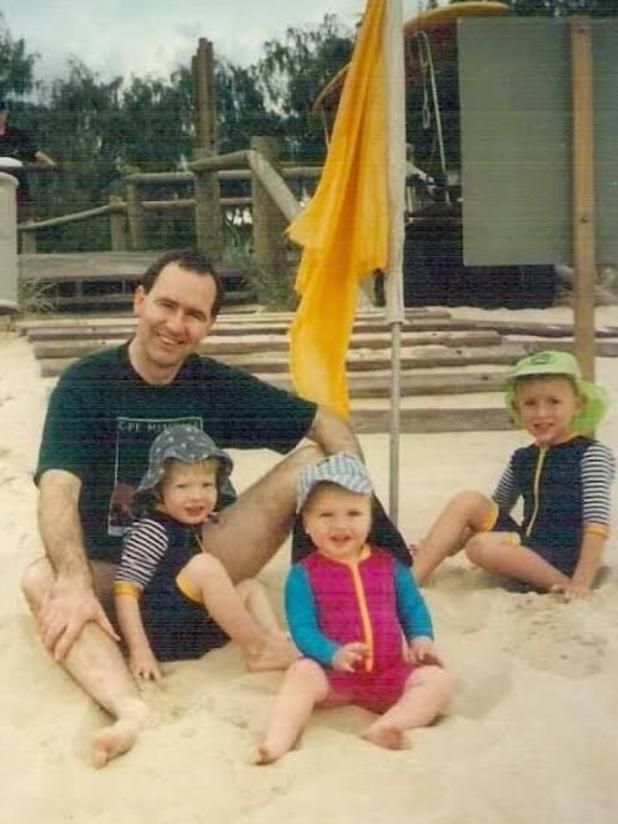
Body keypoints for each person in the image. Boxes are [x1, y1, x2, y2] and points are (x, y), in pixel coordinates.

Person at [21, 248, 408, 768]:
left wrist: (362, 531)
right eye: (166, 305)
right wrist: (71, 577)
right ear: (140, 301)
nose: (175, 325)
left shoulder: (212, 383)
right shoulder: (86, 385)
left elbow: (326, 421)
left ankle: (333, 583)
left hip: (202, 559)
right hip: (112, 570)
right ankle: (129, 708)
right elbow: (58, 489)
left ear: (209, 325)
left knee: (317, 458)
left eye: (194, 315)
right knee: (39, 579)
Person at [254, 453, 453, 764]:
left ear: (370, 517)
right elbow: (302, 629)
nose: (340, 525)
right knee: (300, 672)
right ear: (306, 523)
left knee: (438, 681)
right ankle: (276, 742)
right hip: (334, 675)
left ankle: (387, 726)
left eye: (353, 513)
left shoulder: (389, 566)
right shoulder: (303, 574)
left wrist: (420, 637)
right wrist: (332, 653)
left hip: (389, 672)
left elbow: (412, 607)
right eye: (326, 515)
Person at [413, 351, 615, 598]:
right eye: (530, 403)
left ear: (577, 404)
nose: (541, 413)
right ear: (517, 408)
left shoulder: (591, 454)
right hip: (528, 546)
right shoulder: (523, 457)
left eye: (554, 401)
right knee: (469, 501)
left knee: (480, 546)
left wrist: (581, 581)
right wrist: (444, 546)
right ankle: (412, 579)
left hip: (565, 556)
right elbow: (492, 511)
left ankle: (562, 584)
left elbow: (596, 524)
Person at [114, 424, 295, 680]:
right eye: (183, 487)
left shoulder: (189, 523)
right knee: (205, 566)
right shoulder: (151, 529)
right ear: (158, 490)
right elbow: (126, 590)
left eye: (207, 485)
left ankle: (274, 640)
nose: (197, 496)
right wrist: (140, 650)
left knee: (251, 586)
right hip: (164, 636)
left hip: (194, 627)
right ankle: (259, 650)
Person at [0, 99, 56, 220]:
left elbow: (34, 152)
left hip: (17, 185)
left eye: (1, 112)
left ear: (5, 113)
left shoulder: (16, 134)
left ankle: (25, 220)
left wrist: (49, 163)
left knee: (22, 215)